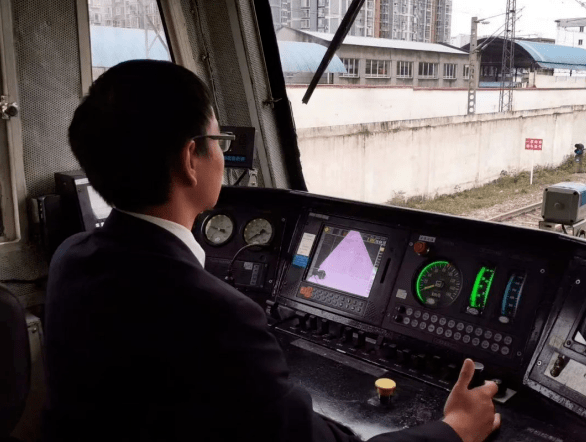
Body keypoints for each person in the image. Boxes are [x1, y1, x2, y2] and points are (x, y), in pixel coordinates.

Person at [43, 60, 501, 442]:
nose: (222, 156)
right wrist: (455, 429)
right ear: (190, 159)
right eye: (218, 142)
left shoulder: (71, 258)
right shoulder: (218, 318)